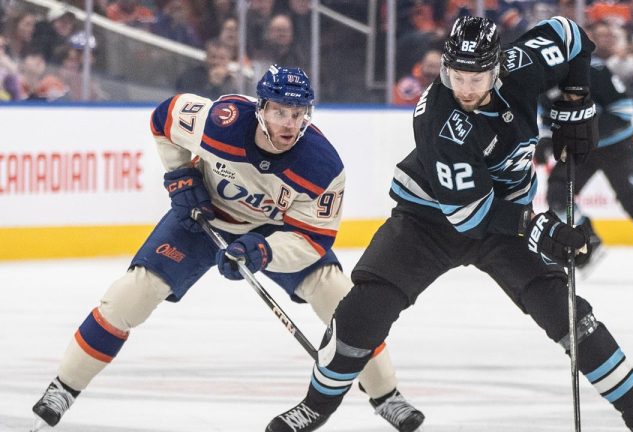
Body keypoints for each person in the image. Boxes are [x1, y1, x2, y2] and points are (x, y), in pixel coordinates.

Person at [267, 16, 633, 432]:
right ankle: (315, 407)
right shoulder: (439, 119)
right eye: (457, 75)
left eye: (476, 77)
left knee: (571, 317)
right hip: (429, 221)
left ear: (498, 68)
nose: (464, 88)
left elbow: (570, 36)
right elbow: (470, 217)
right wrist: (538, 228)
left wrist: (576, 95)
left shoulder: (522, 64)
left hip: (506, 216)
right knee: (362, 313)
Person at [30, 65, 424, 432]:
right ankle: (64, 387)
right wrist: (181, 174)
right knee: (129, 297)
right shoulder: (223, 122)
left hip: (275, 233)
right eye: (281, 112)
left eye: (298, 113)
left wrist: (262, 252)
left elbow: (313, 239)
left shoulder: (322, 166)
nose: (290, 124)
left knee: (344, 304)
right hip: (202, 219)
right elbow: (164, 118)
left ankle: (386, 394)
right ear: (261, 108)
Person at [537, 20, 633, 279]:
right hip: (582, 150)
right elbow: (548, 120)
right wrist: (547, 141)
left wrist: (580, 130)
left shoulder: (596, 72)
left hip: (616, 146)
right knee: (558, 195)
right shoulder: (545, 82)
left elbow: (623, 112)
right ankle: (590, 241)